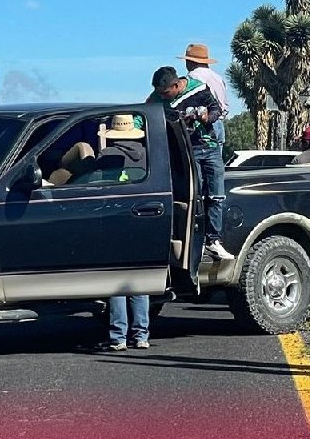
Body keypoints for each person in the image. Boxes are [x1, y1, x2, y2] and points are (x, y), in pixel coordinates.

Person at [147, 66, 234, 261]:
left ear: (176, 85)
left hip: (209, 146)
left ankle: (213, 240)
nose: (163, 97)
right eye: (160, 93)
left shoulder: (199, 89)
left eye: (166, 92)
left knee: (216, 195)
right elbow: (145, 112)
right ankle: (198, 241)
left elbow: (216, 109)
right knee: (196, 195)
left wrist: (206, 118)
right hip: (186, 150)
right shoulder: (157, 98)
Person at [97, 116, 151, 351]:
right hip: (142, 220)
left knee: (117, 284)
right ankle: (141, 335)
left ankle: (118, 337)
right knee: (138, 283)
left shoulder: (107, 156)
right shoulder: (147, 155)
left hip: (114, 221)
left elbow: (97, 187)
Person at [179, 44, 229, 147]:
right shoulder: (217, 77)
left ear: (190, 62)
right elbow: (223, 104)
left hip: (203, 125)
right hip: (219, 123)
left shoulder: (192, 78)